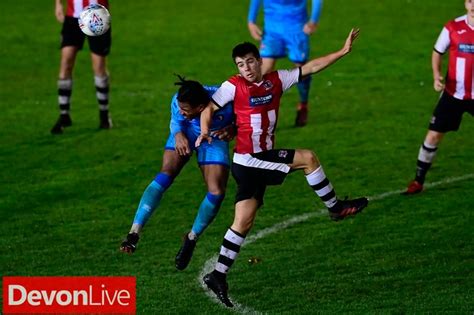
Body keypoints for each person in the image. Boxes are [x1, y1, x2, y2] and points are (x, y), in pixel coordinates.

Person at [196, 29, 368, 307]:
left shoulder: (277, 80)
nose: (247, 68)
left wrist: (341, 51)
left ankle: (218, 275)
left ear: (260, 60)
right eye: (241, 64)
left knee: (244, 221)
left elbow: (310, 67)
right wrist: (205, 131)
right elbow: (208, 109)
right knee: (308, 158)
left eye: (250, 61)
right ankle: (335, 208)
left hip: (252, 162)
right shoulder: (233, 86)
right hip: (251, 159)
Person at [120, 76, 235, 271]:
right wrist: (178, 134)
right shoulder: (179, 100)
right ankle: (133, 233)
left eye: (186, 110)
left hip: (213, 137)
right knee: (166, 172)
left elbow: (249, 117)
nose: (181, 110)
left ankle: (191, 238)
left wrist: (235, 128)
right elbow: (177, 121)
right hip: (187, 130)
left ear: (200, 108)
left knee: (216, 192)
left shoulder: (226, 103)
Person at [403, 0, 474, 195]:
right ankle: (418, 180)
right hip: (453, 94)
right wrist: (436, 76)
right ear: (465, 3)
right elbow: (437, 52)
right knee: (433, 135)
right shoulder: (453, 27)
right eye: (470, 0)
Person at [247, 0, 323, 127]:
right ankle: (260, 114)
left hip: (297, 29)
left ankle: (303, 103)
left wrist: (313, 20)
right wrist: (251, 20)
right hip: (272, 31)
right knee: (263, 72)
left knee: (301, 70)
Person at [51, 0, 112, 134]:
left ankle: (104, 114)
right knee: (66, 62)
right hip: (72, 17)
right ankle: (64, 115)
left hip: (97, 16)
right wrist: (58, 4)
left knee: (99, 66)